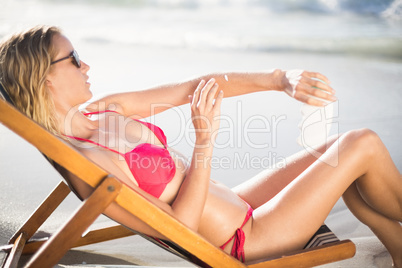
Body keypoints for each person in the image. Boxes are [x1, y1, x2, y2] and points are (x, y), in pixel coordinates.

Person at [0, 25, 401, 266]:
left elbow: (195, 89)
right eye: (74, 59)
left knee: (335, 155)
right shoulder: (89, 163)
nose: (86, 66)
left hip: (242, 204)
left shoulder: (99, 113)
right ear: (45, 79)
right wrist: (204, 141)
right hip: (248, 238)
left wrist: (280, 79)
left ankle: (396, 244)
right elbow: (181, 230)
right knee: (360, 144)